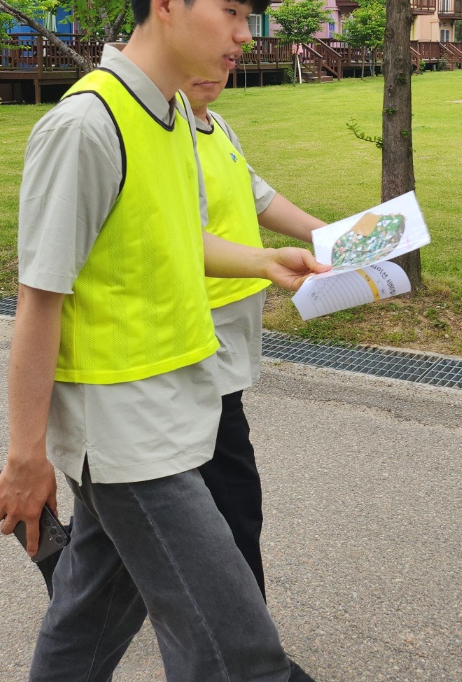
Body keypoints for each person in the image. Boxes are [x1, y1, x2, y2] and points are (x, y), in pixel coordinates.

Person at [0, 0, 328, 682]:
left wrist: (263, 260)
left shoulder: (173, 115)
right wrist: (26, 455)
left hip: (176, 406)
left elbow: (174, 238)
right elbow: (39, 300)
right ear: (167, 0)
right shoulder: (87, 126)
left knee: (89, 617)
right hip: (125, 436)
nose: (243, 36)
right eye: (231, 12)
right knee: (238, 653)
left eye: (249, 17)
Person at [184, 73, 326, 603]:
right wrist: (267, 262)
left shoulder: (217, 125)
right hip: (198, 338)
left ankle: (80, 571)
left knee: (166, 487)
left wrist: (337, 238)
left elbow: (258, 196)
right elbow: (183, 238)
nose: (217, 70)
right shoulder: (166, 134)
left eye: (227, 59)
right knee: (233, 495)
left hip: (233, 332)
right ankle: (247, 635)